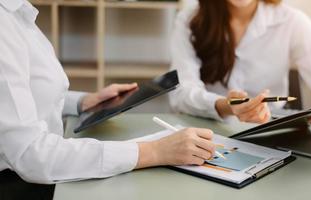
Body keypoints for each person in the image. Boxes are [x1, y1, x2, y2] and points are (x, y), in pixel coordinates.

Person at [0, 0, 216, 198]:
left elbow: (20, 98)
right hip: (16, 183)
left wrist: (83, 101)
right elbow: (30, 154)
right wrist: (153, 151)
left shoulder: (18, 14)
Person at [169, 0, 311, 133]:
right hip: (205, 132)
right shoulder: (189, 19)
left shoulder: (291, 21)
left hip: (271, 134)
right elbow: (180, 93)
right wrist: (227, 106)